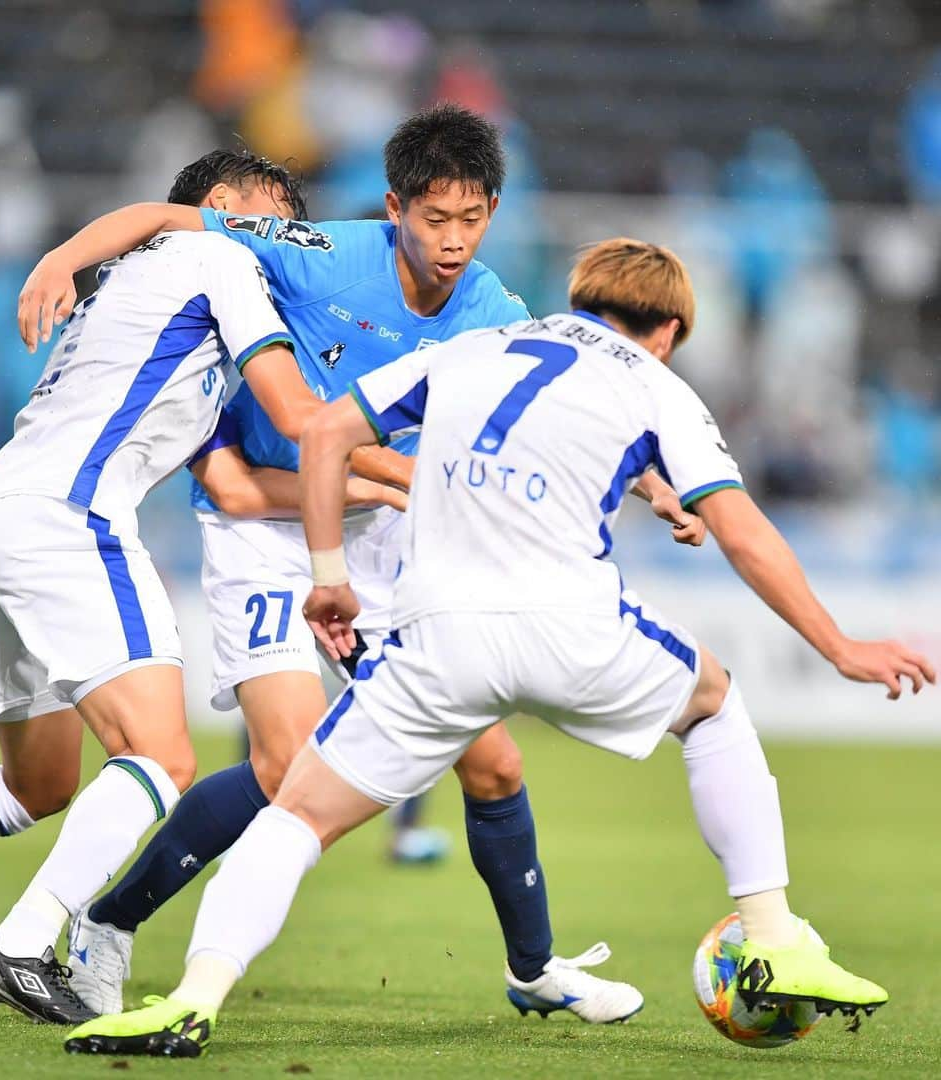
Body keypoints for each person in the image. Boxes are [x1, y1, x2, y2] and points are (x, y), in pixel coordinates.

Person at [63, 237, 934, 1058]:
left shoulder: (480, 348)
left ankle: (195, 997)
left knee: (296, 815)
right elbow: (739, 529)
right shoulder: (656, 386)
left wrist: (330, 576)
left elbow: (325, 433)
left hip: (436, 637)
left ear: (579, 300)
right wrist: (839, 647)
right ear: (668, 333)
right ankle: (774, 939)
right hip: (572, 627)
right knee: (712, 706)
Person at [20, 109, 701, 1024]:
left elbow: (564, 403)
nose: (453, 242)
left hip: (379, 539)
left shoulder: (494, 310)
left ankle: (535, 969)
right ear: (395, 208)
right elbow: (164, 216)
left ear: (493, 210)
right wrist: (63, 258)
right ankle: (107, 924)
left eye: (472, 219)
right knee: (287, 760)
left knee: (495, 765)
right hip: (263, 527)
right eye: (434, 220)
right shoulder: (320, 252)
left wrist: (656, 485)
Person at [0, 152, 407, 1024]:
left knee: (34, 789)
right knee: (162, 755)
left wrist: (379, 484)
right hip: (71, 524)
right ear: (223, 206)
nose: (288, 238)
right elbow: (308, 423)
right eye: (277, 213)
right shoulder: (219, 261)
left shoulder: (133, 288)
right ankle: (27, 940)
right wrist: (428, 476)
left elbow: (231, 487)